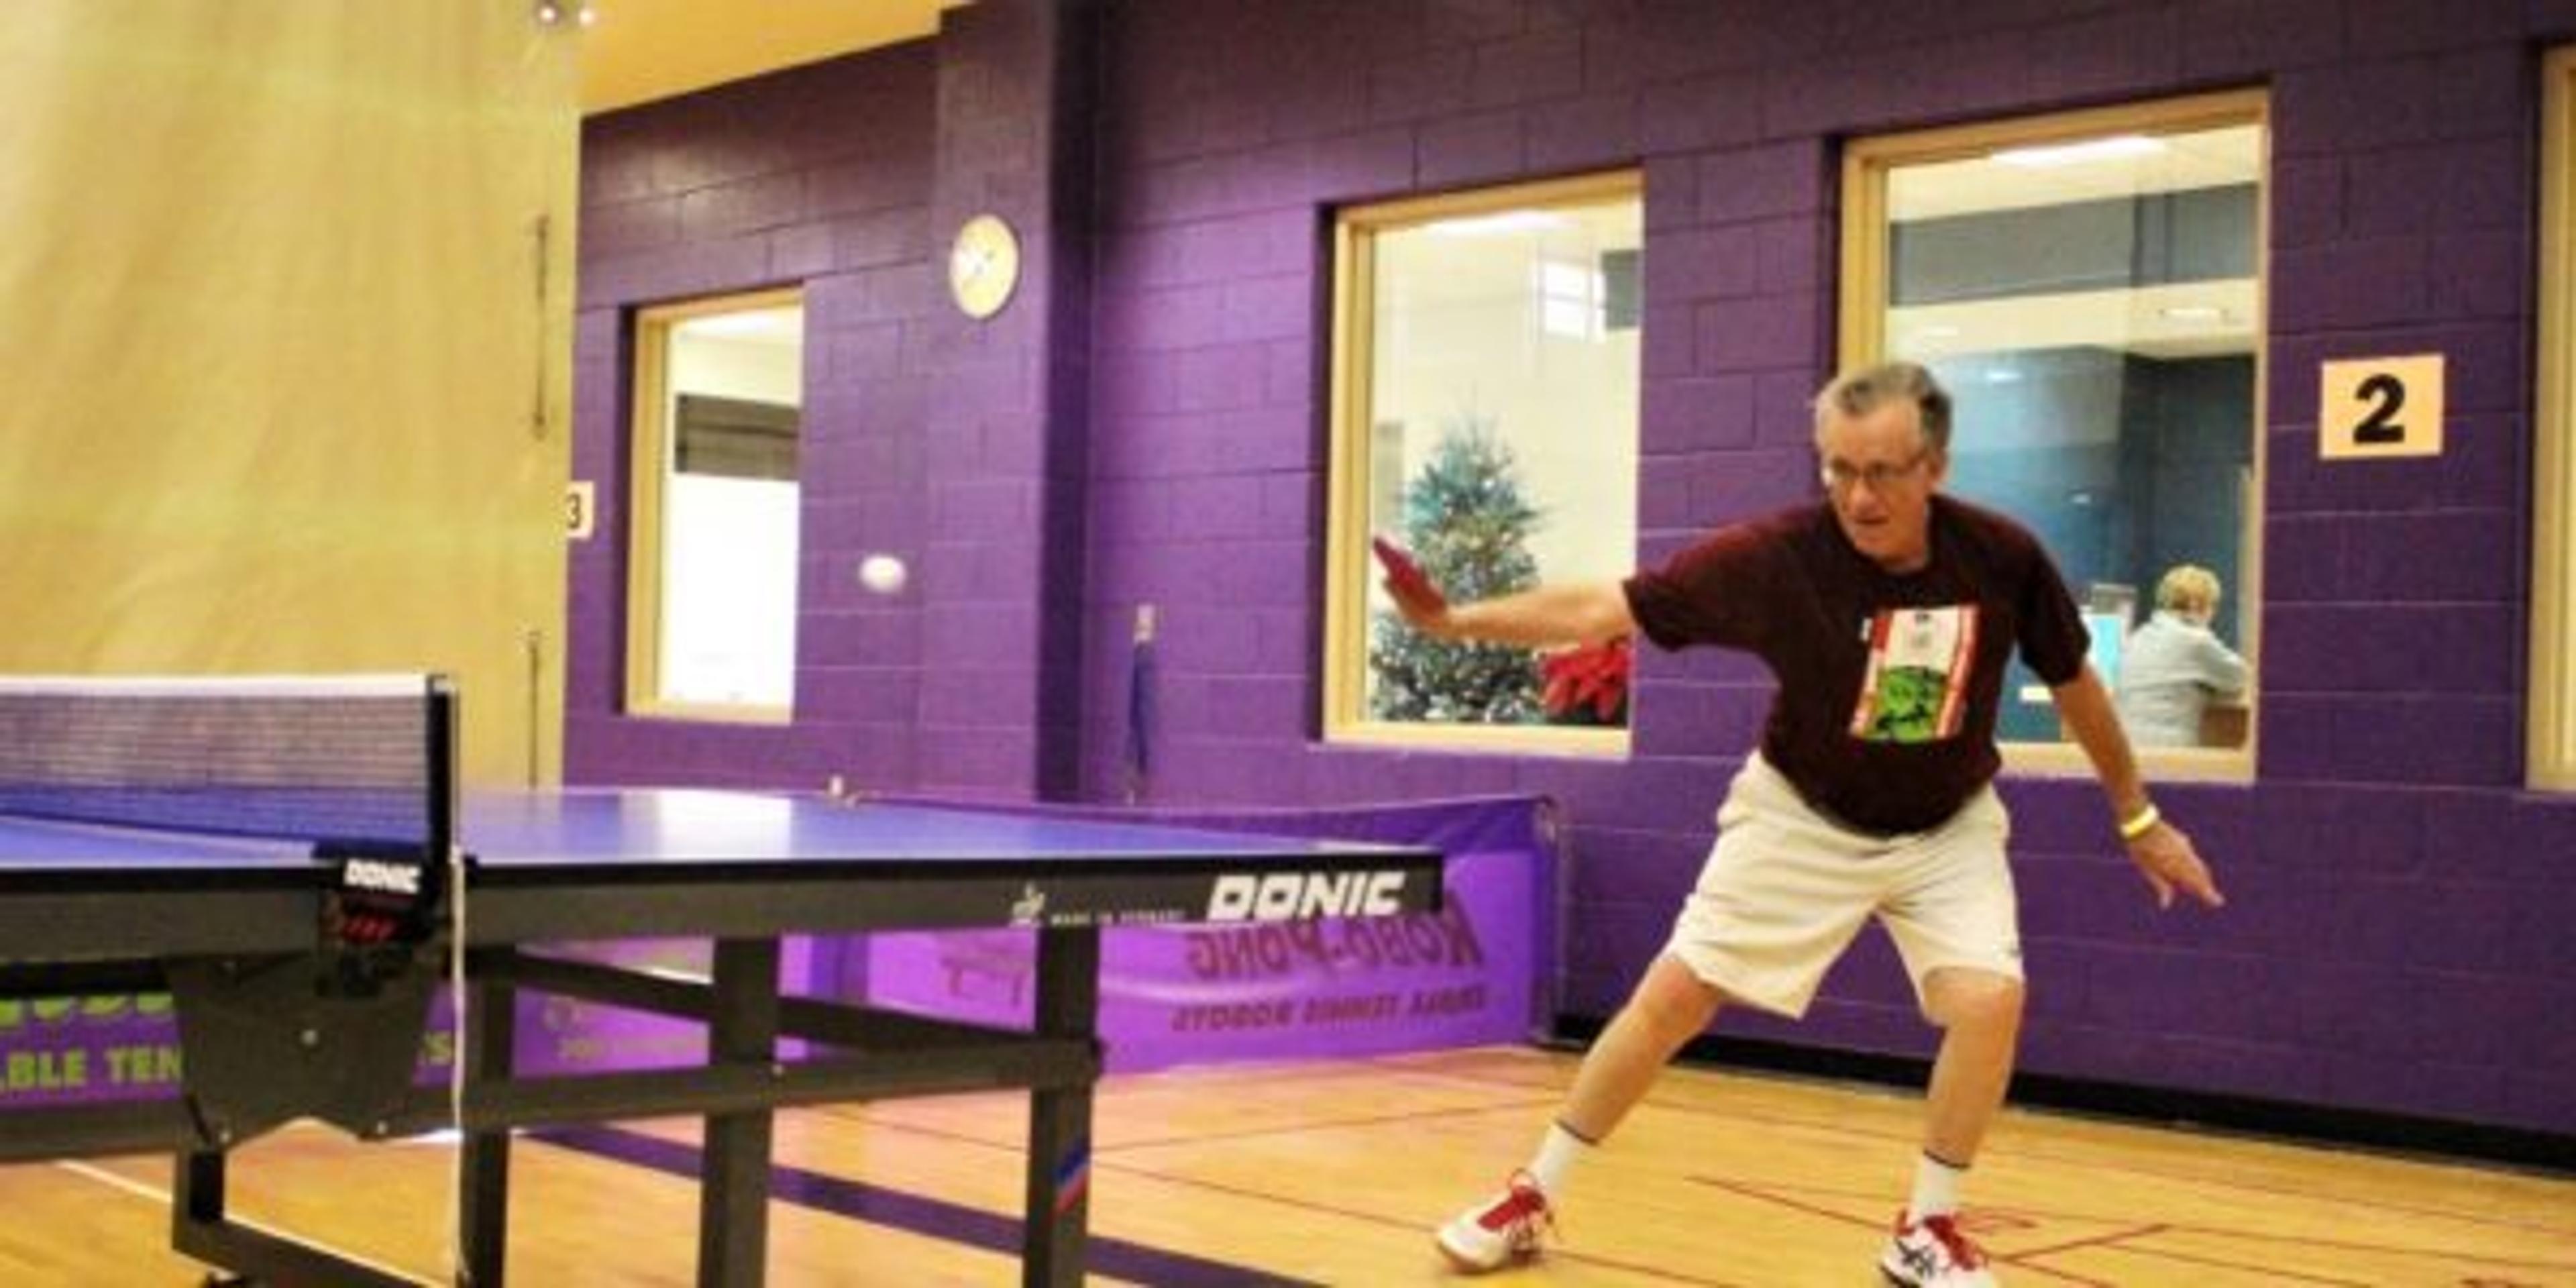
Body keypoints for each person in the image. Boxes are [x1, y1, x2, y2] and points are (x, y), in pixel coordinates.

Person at [1381, 362, 2224, 1287]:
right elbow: (1599, 608)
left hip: (1945, 823)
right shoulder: (1774, 556)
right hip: (1801, 814)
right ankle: (1533, 1194)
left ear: (1934, 466)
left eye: (1884, 472)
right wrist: (1457, 622)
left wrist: (2138, 816)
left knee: (1989, 1001)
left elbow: (2077, 685)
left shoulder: (2003, 557)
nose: (1858, 496)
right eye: (1838, 470)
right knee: (1674, 997)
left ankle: (1926, 1230)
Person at [2114, 564, 2249, 748]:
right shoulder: (2195, 641)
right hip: (2170, 756)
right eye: (2212, 605)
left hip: (2126, 748)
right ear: (2197, 605)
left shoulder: (2138, 637)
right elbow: (2239, 677)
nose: (2213, 613)